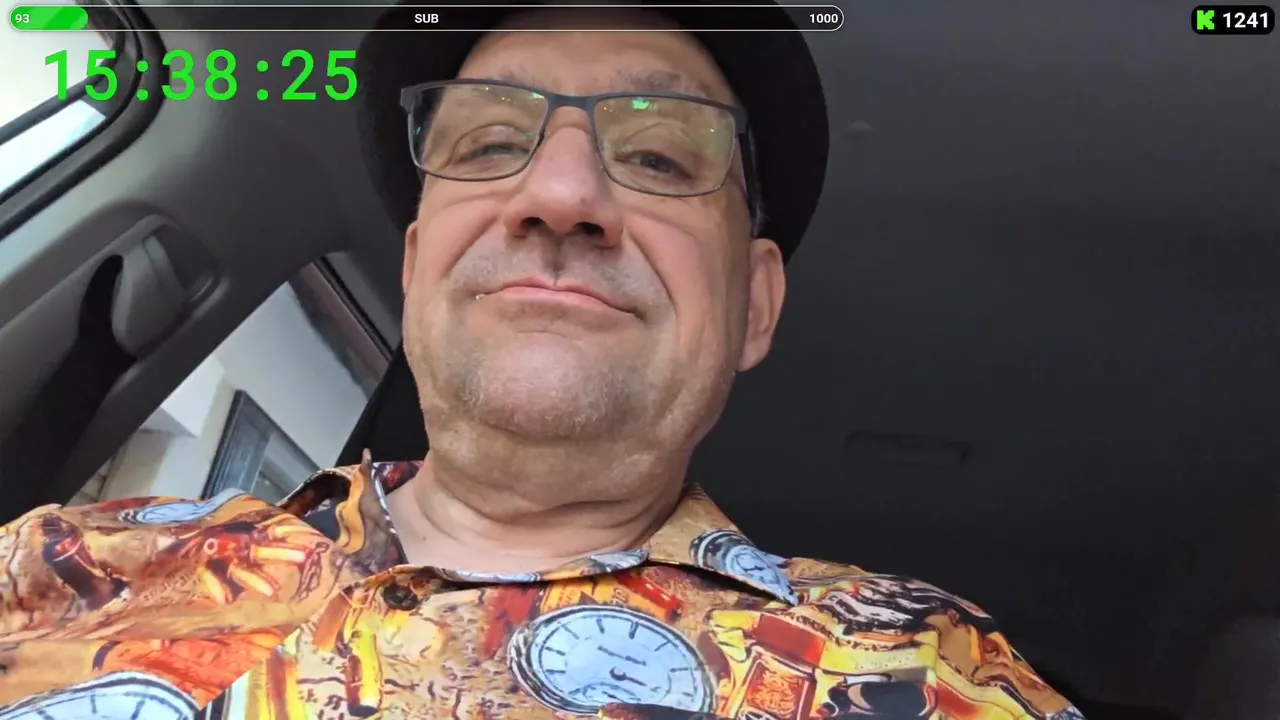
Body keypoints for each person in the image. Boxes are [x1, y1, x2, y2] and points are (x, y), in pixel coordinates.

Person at [0, 3, 1084, 718]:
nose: (559, 195)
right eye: (488, 143)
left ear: (753, 306)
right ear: (418, 269)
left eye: (660, 155)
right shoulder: (67, 558)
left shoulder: (918, 673)